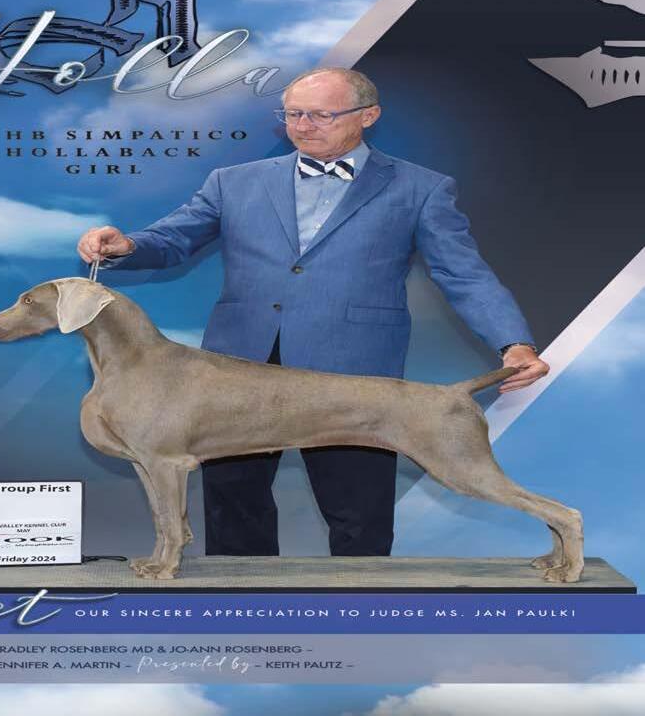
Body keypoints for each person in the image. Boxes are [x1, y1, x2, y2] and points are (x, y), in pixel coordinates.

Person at [77, 67, 549, 558]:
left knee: (357, 512)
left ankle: (359, 602)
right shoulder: (232, 182)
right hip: (236, 369)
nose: (302, 126)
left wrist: (513, 342)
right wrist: (128, 245)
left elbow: (463, 274)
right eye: (293, 114)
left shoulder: (421, 188)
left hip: (353, 373)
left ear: (368, 116)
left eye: (321, 115)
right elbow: (173, 238)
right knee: (234, 506)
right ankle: (239, 598)